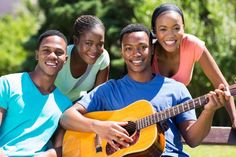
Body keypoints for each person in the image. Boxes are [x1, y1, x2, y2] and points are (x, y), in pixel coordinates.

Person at [60, 24, 230, 156]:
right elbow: (67, 117)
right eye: (129, 48)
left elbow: (193, 140)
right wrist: (100, 127)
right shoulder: (109, 89)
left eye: (142, 47)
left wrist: (209, 111)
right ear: (122, 52)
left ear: (153, 49)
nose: (136, 53)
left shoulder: (176, 89)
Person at [151, 3, 236, 128]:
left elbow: (221, 84)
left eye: (176, 28)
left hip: (178, 112)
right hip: (149, 114)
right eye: (163, 29)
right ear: (154, 31)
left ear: (183, 28)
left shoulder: (192, 45)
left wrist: (234, 119)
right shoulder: (147, 51)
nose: (170, 34)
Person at [0, 30, 72, 157]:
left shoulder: (65, 105)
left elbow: (61, 149)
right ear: (37, 54)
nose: (53, 56)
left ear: (65, 59)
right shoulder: (7, 84)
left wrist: (46, 155)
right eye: (46, 50)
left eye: (59, 52)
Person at [55, 15, 110, 102]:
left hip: (78, 104)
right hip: (51, 106)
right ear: (76, 41)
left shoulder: (102, 57)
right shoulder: (59, 57)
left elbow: (99, 97)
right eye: (88, 43)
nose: (95, 50)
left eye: (100, 44)